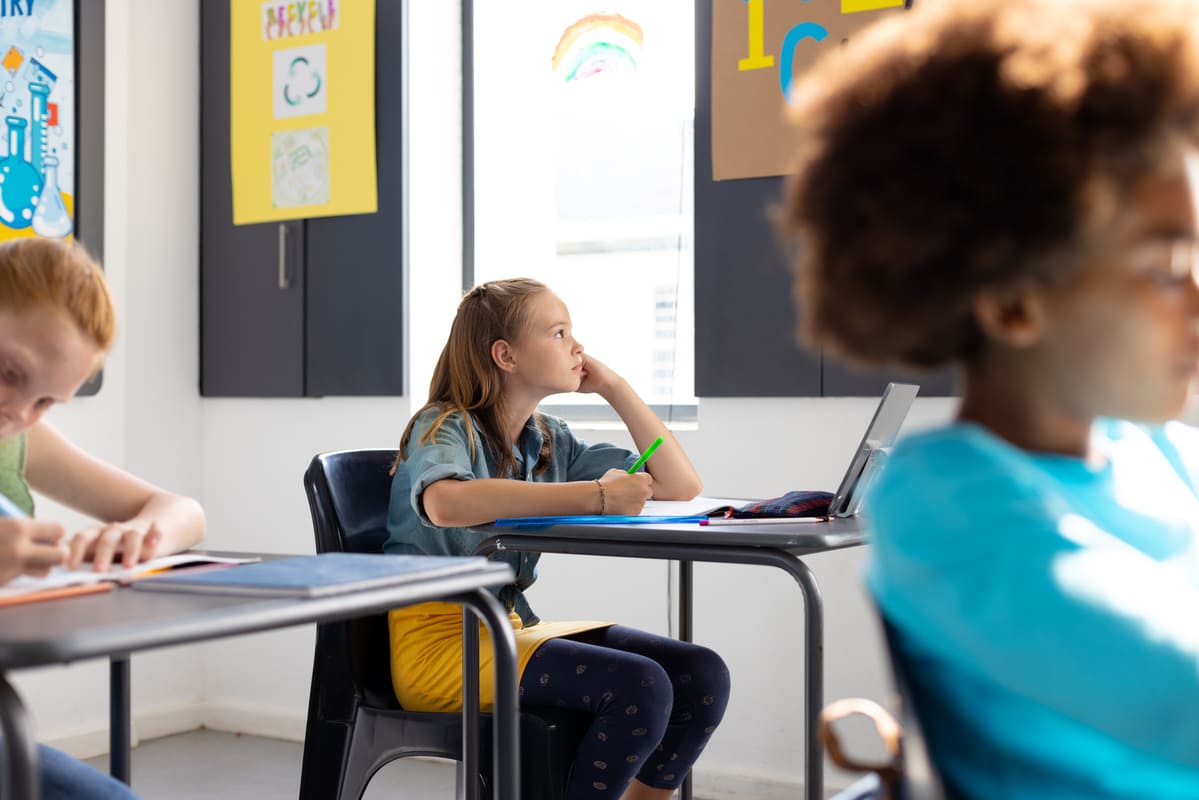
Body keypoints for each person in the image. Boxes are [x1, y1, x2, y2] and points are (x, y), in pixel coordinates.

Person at [781, 0, 1199, 796]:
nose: (1198, 302)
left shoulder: (1160, 452)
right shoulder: (946, 504)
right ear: (1014, 303)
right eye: (1163, 270)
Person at [385, 278, 729, 799]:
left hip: (509, 628)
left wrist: (616, 388)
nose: (577, 347)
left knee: (700, 675)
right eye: (559, 332)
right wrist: (593, 496)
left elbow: (681, 487)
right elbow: (445, 502)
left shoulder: (548, 439)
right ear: (505, 355)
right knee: (640, 686)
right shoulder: (442, 425)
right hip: (438, 647)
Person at [0, 236, 206, 799]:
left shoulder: (16, 436)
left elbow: (184, 512)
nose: (20, 411)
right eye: (10, 372)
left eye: (46, 402)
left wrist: (142, 532)